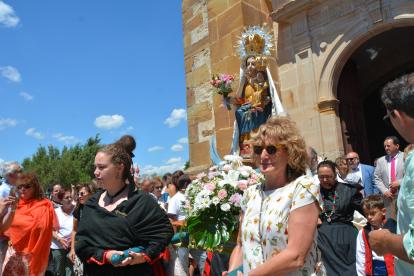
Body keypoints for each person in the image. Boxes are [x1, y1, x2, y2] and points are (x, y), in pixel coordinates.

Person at [223, 115, 321, 276]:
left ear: (290, 153)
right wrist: (232, 273)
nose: (263, 156)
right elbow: (241, 245)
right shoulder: (250, 194)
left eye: (271, 149)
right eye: (258, 149)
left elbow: (296, 256)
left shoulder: (302, 188)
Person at [74, 135, 173, 276]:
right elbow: (81, 242)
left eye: (102, 167)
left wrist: (143, 256)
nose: (96, 172)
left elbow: (163, 234)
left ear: (119, 168)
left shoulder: (141, 201)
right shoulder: (91, 203)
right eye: (95, 167)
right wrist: (104, 255)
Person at [369, 72, 414, 274]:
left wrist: (385, 240)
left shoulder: (409, 158)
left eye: (388, 117)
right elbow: (377, 178)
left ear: (399, 115)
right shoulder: (381, 162)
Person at [3, 171, 58, 276]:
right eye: (20, 186)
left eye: (27, 186)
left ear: (35, 187)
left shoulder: (44, 205)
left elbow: (43, 229)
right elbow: (8, 226)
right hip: (13, 251)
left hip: (32, 254)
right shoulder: (17, 205)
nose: (23, 189)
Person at [317, 160, 364, 276]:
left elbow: (366, 210)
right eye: (321, 177)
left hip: (345, 236)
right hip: (322, 238)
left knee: (350, 271)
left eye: (329, 176)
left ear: (335, 174)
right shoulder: (313, 191)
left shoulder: (349, 190)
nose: (325, 180)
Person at [168, 175, 206, 276]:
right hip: (182, 237)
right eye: (193, 183)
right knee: (183, 266)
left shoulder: (193, 197)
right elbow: (171, 220)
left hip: (196, 236)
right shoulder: (175, 199)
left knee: (204, 261)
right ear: (186, 185)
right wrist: (175, 241)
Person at [356, 194, 396, 276]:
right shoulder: (363, 232)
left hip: (393, 270)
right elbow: (360, 255)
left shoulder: (393, 228)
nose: (369, 217)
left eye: (373, 213)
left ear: (383, 211)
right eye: (366, 214)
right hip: (374, 270)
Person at [69, 182, 97, 276]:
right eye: (78, 194)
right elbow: (74, 231)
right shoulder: (78, 210)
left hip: (96, 248)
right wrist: (72, 249)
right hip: (81, 248)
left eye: (82, 193)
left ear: (92, 193)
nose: (80, 196)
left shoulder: (99, 209)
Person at [375, 136, 405, 219]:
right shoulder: (381, 160)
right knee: (390, 225)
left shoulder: (406, 157)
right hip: (388, 199)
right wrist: (384, 191)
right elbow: (377, 178)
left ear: (397, 146)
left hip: (403, 196)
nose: (386, 148)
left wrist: (400, 182)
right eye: (385, 146)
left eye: (388, 146)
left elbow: (411, 174)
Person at [0, 161, 22, 269]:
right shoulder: (3, 190)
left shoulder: (14, 189)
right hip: (5, 239)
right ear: (10, 175)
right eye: (20, 171)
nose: (22, 174)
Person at [51, 188, 75, 276]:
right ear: (60, 200)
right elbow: (50, 230)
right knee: (59, 271)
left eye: (70, 197)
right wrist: (59, 239)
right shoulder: (55, 212)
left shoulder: (77, 210)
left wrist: (74, 239)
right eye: (66, 198)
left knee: (70, 271)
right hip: (57, 246)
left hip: (72, 245)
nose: (70, 199)